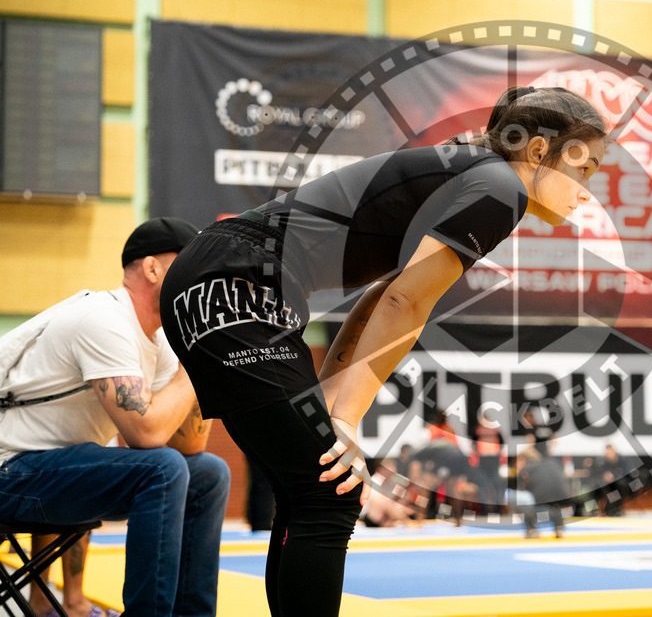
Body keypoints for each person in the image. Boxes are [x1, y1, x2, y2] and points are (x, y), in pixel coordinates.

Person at [159, 86, 607, 617]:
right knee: (333, 487)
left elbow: (377, 299)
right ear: (537, 152)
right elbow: (404, 302)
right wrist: (345, 420)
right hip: (238, 279)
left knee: (311, 485)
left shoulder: (475, 175)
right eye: (584, 169)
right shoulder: (500, 187)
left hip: (221, 272)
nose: (587, 192)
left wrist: (333, 404)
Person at [0, 218, 231, 617]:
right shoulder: (103, 319)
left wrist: (199, 352)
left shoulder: (158, 339)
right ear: (152, 268)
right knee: (161, 469)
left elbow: (189, 444)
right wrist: (194, 368)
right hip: (11, 472)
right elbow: (147, 434)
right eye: (191, 264)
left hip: (54, 471)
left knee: (209, 474)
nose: (201, 280)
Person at [510, 448, 572, 539]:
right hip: (566, 511)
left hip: (542, 512)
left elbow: (524, 492)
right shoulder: (553, 464)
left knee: (512, 496)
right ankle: (559, 525)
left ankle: (531, 530)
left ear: (522, 460)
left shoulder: (526, 470)